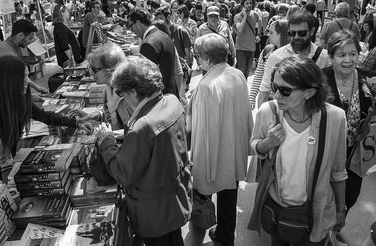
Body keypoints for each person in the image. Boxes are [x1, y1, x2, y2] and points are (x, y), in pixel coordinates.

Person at [250, 56, 347, 245]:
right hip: (277, 208)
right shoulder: (268, 111)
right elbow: (254, 144)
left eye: (285, 90)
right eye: (274, 87)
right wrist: (268, 143)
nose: (276, 96)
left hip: (316, 211)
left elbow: (338, 172)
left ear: (309, 92)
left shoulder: (335, 118)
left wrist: (340, 210)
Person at [98, 57, 191, 246]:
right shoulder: (172, 101)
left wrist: (107, 142)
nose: (122, 99)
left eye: (121, 93)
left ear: (133, 92)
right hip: (174, 200)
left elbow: (122, 173)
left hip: (154, 212)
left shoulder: (143, 127)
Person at [0, 55, 93, 180]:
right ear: (8, 79)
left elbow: (44, 115)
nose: (28, 81)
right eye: (23, 76)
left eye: (27, 76)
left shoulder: (17, 99)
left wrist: (76, 123)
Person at [187, 33, 253, 246]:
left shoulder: (207, 85)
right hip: (233, 145)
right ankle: (225, 233)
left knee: (211, 189)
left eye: (198, 56)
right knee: (229, 193)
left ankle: (213, 229)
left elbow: (201, 128)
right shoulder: (237, 74)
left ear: (206, 59)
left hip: (216, 148)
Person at [321, 31, 376, 219]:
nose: (348, 60)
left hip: (356, 153)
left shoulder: (369, 79)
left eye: (353, 54)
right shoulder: (320, 80)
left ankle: (338, 222)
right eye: (341, 55)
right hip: (326, 152)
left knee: (350, 196)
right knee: (324, 195)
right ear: (331, 57)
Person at [258, 10, 330, 107]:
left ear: (312, 31)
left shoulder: (324, 58)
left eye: (302, 33)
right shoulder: (276, 57)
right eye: (292, 33)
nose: (296, 37)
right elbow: (264, 90)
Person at [0, 19, 47, 94]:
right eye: (29, 38)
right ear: (21, 36)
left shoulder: (6, 44)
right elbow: (11, 87)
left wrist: (36, 87)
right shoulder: (7, 55)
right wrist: (30, 98)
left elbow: (22, 77)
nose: (30, 42)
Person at [127, 7, 178, 98]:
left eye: (131, 26)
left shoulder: (148, 44)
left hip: (161, 100)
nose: (131, 30)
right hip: (171, 94)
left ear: (138, 23)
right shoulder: (163, 34)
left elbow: (147, 80)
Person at [86, 43, 133, 130]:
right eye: (90, 68)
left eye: (95, 69)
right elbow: (113, 113)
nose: (91, 73)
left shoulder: (129, 94)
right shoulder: (109, 88)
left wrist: (113, 136)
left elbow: (141, 131)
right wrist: (98, 116)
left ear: (111, 69)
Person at [249, 20, 289, 109]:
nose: (268, 35)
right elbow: (259, 75)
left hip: (286, 100)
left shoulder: (291, 54)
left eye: (271, 33)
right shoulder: (267, 50)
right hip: (267, 99)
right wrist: (251, 97)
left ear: (281, 35)